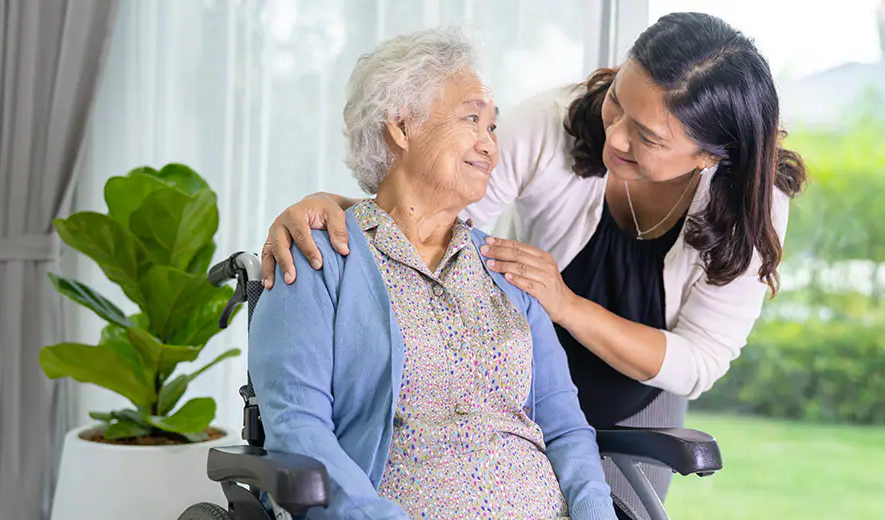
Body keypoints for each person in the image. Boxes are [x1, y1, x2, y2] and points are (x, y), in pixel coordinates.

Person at [258, 12, 807, 514]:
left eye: (646, 136)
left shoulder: (748, 205)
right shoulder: (549, 131)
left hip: (621, 393)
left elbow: (692, 363)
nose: (613, 135)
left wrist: (565, 305)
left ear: (710, 156)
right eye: (617, 102)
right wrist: (329, 209)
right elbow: (426, 201)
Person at [248, 26, 615, 520]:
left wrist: (596, 512)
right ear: (401, 128)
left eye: (493, 128)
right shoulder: (316, 260)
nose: (490, 146)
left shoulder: (508, 270)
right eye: (472, 119)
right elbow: (298, 430)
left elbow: (567, 428)